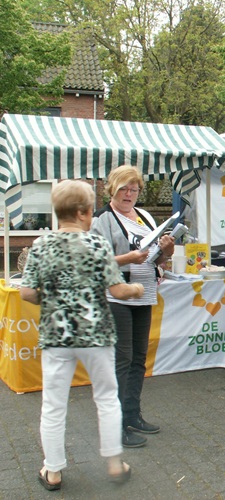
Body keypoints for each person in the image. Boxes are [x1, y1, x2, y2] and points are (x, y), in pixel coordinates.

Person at [20, 180, 143, 490]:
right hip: (96, 334)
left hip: (56, 336)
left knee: (54, 403)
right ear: (83, 212)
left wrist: (47, 299)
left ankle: (53, 470)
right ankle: (115, 463)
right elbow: (118, 290)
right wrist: (137, 289)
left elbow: (27, 293)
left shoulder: (41, 245)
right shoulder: (97, 244)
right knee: (106, 398)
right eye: (90, 211)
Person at [90, 165, 175, 448]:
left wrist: (167, 250)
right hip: (117, 296)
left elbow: (156, 260)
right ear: (112, 190)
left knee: (139, 358)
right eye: (124, 189)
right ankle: (114, 427)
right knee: (122, 361)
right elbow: (95, 263)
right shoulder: (102, 219)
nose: (129, 194)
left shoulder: (146, 216)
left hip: (145, 293)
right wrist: (127, 259)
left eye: (134, 189)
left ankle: (132, 414)